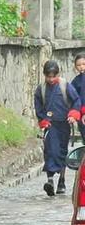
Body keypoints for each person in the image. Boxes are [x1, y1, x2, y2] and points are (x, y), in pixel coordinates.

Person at [34, 60, 80, 196]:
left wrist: (73, 114)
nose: (51, 79)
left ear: (58, 74)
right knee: (50, 151)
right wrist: (42, 120)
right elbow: (38, 107)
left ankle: (61, 180)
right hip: (50, 125)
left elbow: (76, 101)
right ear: (44, 75)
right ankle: (50, 180)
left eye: (53, 76)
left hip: (64, 124)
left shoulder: (65, 86)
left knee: (62, 151)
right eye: (48, 76)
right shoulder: (41, 89)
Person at [72, 53, 85, 144]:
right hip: (81, 116)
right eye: (78, 65)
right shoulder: (75, 81)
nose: (81, 67)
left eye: (84, 64)